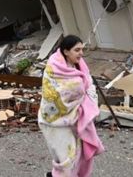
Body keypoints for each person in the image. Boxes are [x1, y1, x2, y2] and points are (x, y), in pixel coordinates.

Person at [38, 35, 104, 177]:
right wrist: (79, 91)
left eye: (82, 49)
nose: (81, 53)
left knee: (78, 153)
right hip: (55, 121)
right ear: (66, 51)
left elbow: (89, 84)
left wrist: (86, 99)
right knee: (67, 157)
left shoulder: (80, 65)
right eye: (77, 50)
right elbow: (53, 94)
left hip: (76, 118)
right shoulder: (53, 69)